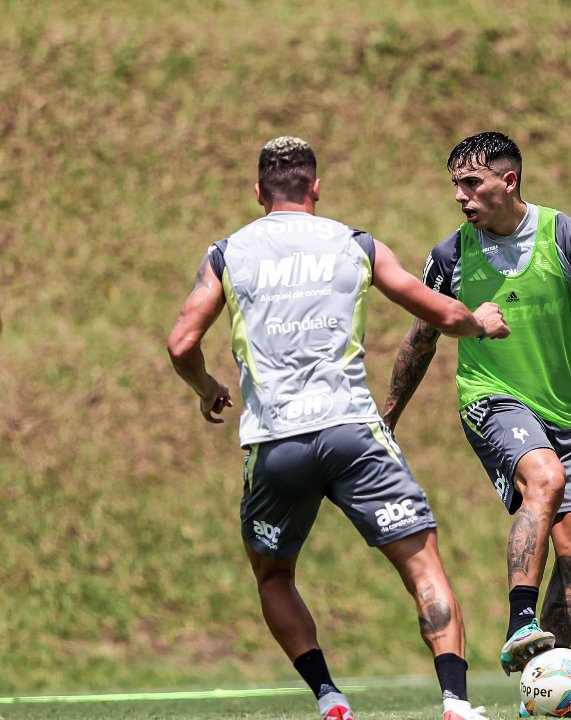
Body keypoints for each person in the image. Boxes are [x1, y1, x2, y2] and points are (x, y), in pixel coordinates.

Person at [167, 136, 508, 720]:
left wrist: (207, 388)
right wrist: (479, 322)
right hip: (352, 433)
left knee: (274, 574)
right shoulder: (355, 244)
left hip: (276, 444)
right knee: (422, 565)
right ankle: (455, 702)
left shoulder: (228, 253)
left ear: (258, 192)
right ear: (316, 188)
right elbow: (440, 312)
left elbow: (181, 343)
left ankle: (329, 698)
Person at [381, 131, 571, 685]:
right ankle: (521, 620)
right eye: (455, 184)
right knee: (544, 478)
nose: (460, 195)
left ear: (509, 181)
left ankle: (541, 680)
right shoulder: (450, 256)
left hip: (562, 411)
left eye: (471, 183)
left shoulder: (567, 237)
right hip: (491, 398)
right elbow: (420, 340)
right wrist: (388, 419)